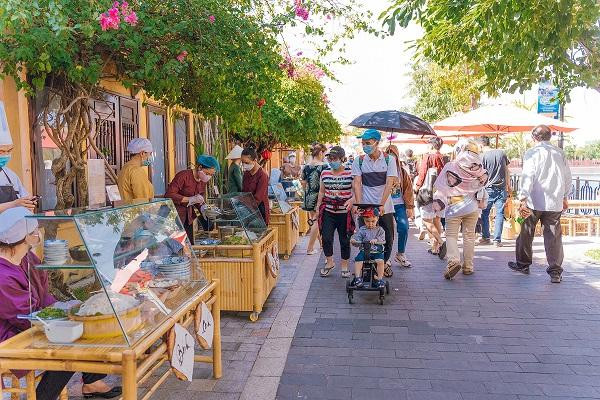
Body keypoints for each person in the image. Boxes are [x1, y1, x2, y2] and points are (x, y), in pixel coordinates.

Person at [0, 207, 121, 400]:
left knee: (81, 326)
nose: (39, 233)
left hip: (30, 322)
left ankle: (92, 382)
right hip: (10, 336)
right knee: (67, 347)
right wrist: (59, 321)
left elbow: (44, 295)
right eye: (34, 231)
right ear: (25, 237)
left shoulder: (27, 258)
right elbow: (23, 318)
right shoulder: (3, 276)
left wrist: (65, 308)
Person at [508, 125, 572, 283]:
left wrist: (523, 198)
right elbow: (567, 176)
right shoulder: (560, 153)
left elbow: (528, 175)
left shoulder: (532, 152)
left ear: (534, 137)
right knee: (553, 237)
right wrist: (565, 196)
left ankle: (523, 264)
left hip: (533, 200)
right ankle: (555, 271)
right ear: (550, 136)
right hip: (554, 202)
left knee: (525, 232)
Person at [434, 141, 489, 279]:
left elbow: (440, 186)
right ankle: (468, 267)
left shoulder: (451, 166)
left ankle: (453, 261)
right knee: (469, 236)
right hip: (473, 206)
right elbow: (483, 184)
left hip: (454, 206)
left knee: (451, 235)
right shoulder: (480, 169)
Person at [351, 129, 397, 267]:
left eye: (368, 143)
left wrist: (382, 204)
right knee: (364, 237)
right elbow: (357, 183)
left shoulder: (389, 160)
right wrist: (358, 204)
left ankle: (384, 263)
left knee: (387, 237)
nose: (365, 146)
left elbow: (389, 183)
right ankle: (367, 264)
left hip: (385, 205)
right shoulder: (359, 161)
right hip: (365, 204)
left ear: (377, 143)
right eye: (363, 143)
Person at [315, 146, 354, 278]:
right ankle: (330, 262)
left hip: (344, 213)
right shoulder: (325, 173)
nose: (332, 161)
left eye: (334, 158)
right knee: (326, 238)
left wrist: (353, 201)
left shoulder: (350, 173)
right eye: (330, 159)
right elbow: (321, 191)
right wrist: (317, 208)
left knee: (345, 240)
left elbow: (356, 190)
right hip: (328, 211)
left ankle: (344, 266)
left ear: (342, 159)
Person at [165, 155, 220, 245]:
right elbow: (169, 195)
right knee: (176, 245)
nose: (208, 177)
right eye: (207, 173)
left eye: (211, 175)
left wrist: (204, 208)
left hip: (188, 217)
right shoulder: (183, 176)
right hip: (174, 216)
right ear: (200, 167)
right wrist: (189, 199)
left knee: (189, 245)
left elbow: (199, 199)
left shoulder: (203, 180)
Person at [0, 102, 38, 212]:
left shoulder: (10, 175)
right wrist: (14, 204)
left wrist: (28, 202)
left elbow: (24, 198)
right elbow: (16, 203)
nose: (6, 155)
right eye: (1, 151)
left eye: (9, 150)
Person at [477, 136, 510, 247]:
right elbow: (507, 171)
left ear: (481, 145)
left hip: (488, 189)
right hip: (502, 188)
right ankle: (497, 240)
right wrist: (508, 186)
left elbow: (480, 174)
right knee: (500, 214)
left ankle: (486, 237)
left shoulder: (482, 157)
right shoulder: (501, 153)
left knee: (485, 213)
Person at [414, 136, 446, 251]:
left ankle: (440, 242)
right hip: (441, 192)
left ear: (431, 145)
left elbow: (422, 173)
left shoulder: (428, 156)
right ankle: (435, 247)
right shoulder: (444, 157)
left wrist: (417, 187)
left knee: (426, 221)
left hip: (428, 193)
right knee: (437, 220)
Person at [386, 145, 415, 268]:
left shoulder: (402, 171)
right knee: (387, 231)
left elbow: (408, 189)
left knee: (403, 227)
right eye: (388, 153)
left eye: (393, 154)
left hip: (399, 205)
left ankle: (401, 253)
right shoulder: (381, 169)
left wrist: (409, 206)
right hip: (386, 205)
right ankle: (386, 257)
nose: (391, 156)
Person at [301, 143, 327, 255]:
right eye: (324, 153)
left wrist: (308, 192)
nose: (324, 156)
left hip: (309, 195)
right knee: (316, 221)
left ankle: (321, 244)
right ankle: (310, 248)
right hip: (320, 196)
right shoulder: (324, 166)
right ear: (321, 152)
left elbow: (303, 182)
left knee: (314, 220)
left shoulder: (306, 166)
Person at [350, 208, 386, 288]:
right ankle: (357, 278)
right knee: (358, 260)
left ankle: (379, 279)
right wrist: (354, 241)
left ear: (377, 219)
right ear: (364, 220)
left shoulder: (380, 230)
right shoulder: (362, 229)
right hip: (364, 251)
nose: (370, 224)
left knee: (380, 261)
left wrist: (376, 240)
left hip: (376, 252)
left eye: (373, 221)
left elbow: (383, 239)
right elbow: (358, 239)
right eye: (367, 221)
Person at [241, 147, 270, 224]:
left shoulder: (263, 175)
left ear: (255, 161)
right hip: (248, 210)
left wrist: (246, 208)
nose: (244, 165)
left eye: (247, 163)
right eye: (242, 162)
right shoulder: (246, 174)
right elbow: (244, 191)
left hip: (260, 210)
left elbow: (258, 198)